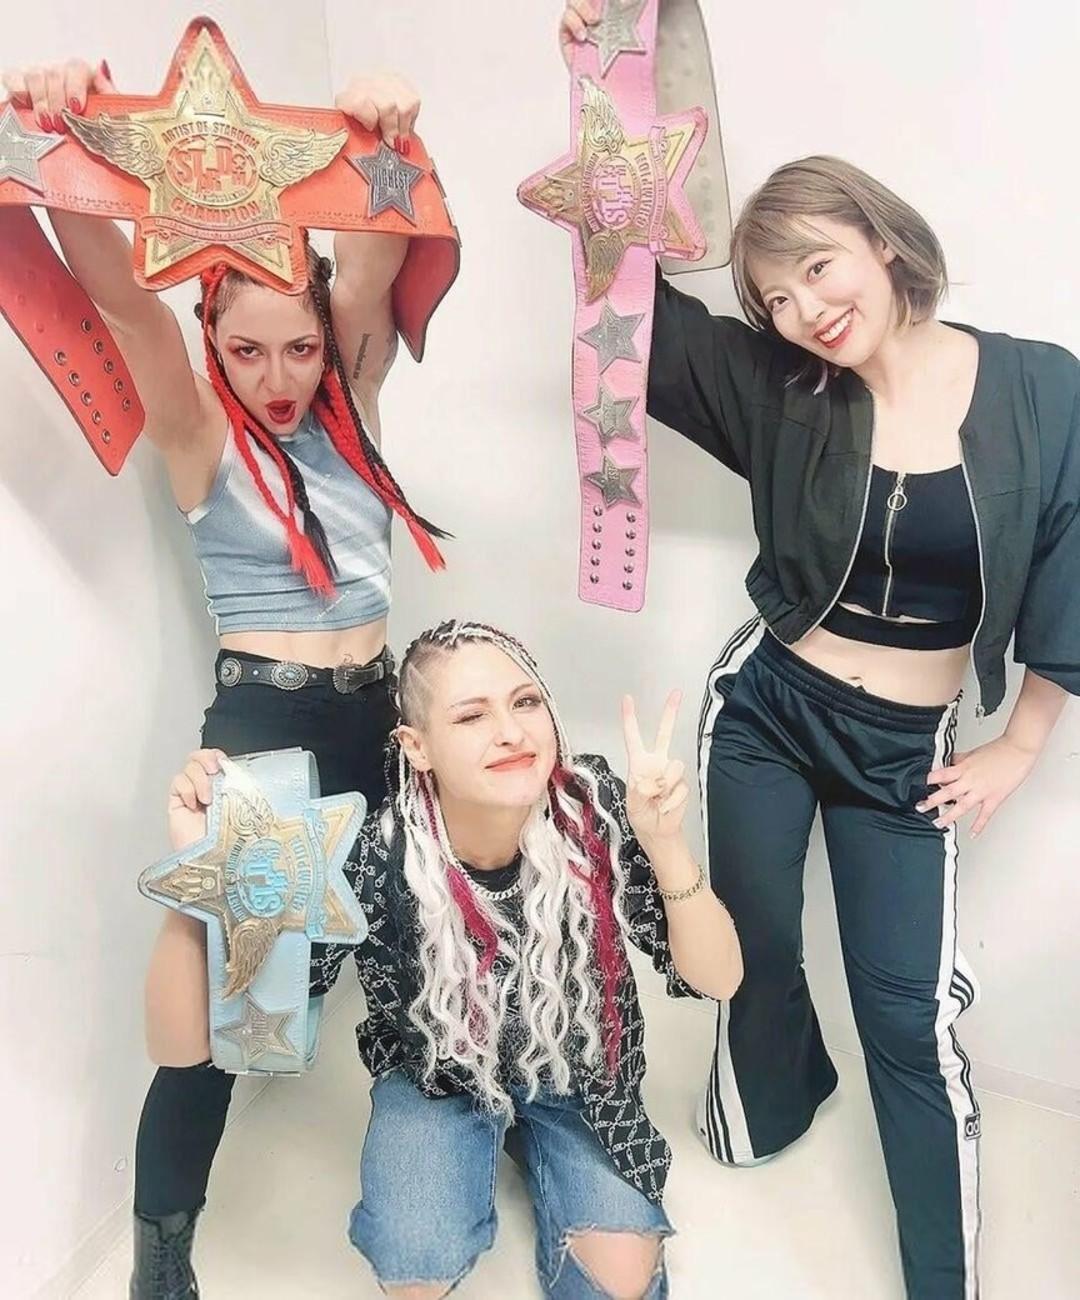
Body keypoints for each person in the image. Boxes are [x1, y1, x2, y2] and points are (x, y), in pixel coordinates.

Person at [557, 7, 1080, 1298]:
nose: (802, 310)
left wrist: (1021, 742)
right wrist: (613, 68)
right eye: (775, 297)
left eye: (817, 269)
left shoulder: (1041, 387)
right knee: (755, 935)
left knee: (911, 1017)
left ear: (884, 241)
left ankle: (941, 1277)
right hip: (769, 709)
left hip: (908, 750)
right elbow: (634, 289)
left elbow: (1073, 557)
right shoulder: (783, 388)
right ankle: (773, 1101)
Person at [1, 55, 452, 1298]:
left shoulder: (354, 405)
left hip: (383, 719)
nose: (280, 377)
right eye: (248, 351)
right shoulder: (201, 435)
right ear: (214, 341)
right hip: (265, 729)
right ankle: (161, 1258)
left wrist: (381, 132)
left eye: (300, 347)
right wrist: (61, 135)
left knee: (420, 948)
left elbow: (368, 260)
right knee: (212, 1005)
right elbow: (122, 299)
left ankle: (451, 1153)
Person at [168, 619, 743, 1298]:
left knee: (620, 1285)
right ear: (417, 746)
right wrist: (209, 871)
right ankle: (485, 1136)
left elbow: (721, 978)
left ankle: (531, 1136)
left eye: (526, 702)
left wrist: (666, 842)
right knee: (414, 1263)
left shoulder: (595, 808)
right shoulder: (372, 857)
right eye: (472, 716)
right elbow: (249, 1026)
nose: (511, 731)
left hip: (577, 1074)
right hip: (438, 1079)